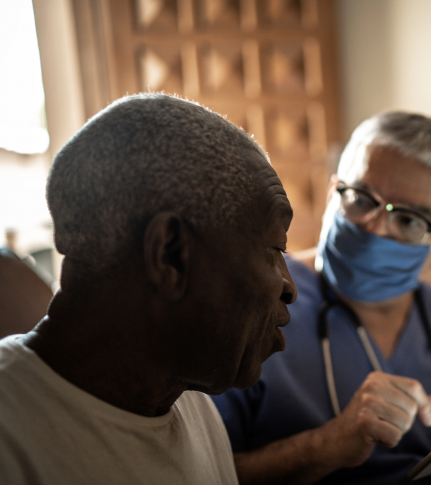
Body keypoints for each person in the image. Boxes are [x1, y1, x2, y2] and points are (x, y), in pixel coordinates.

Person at [212, 112, 431, 484]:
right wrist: (327, 445)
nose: (375, 227)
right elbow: (201, 471)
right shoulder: (251, 304)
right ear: (333, 191)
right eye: (361, 197)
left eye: (410, 220)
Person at [0, 93, 297, 484]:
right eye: (274, 248)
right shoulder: (11, 440)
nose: (290, 286)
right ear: (171, 256)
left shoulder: (190, 401)